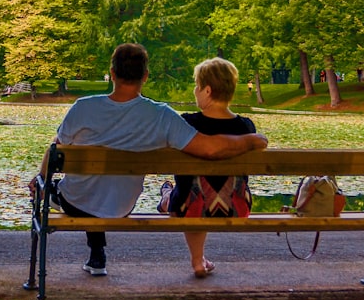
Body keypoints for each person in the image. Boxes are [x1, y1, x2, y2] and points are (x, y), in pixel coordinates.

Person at [32, 44, 268, 277]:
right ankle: (96, 252)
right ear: (145, 76)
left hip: (75, 202)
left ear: (112, 73)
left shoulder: (83, 107)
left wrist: (40, 179)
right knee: (105, 193)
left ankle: (88, 245)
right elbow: (209, 149)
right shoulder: (161, 116)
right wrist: (251, 140)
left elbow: (55, 148)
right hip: (121, 207)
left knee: (82, 192)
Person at [157, 57, 256, 277]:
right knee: (199, 190)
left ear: (208, 91)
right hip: (237, 207)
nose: (195, 91)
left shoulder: (187, 123)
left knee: (190, 193)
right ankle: (168, 196)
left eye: (198, 86)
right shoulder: (246, 126)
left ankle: (197, 260)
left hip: (190, 207)